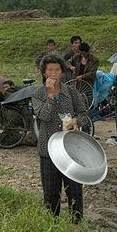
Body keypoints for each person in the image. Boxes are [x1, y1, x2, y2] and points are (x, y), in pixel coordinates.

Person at [33, 53, 88, 223]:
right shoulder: (38, 93)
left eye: (57, 69)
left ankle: (76, 225)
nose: (53, 73)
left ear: (62, 72)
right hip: (48, 150)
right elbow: (44, 116)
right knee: (50, 192)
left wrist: (76, 121)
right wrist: (50, 95)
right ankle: (52, 225)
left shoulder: (71, 92)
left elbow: (84, 113)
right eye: (50, 70)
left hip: (70, 149)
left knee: (75, 191)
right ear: (44, 73)